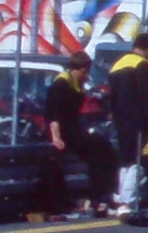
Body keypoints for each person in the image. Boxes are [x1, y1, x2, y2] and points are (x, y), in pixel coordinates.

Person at [39, 51, 116, 217]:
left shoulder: (76, 83)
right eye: (85, 72)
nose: (86, 76)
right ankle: (82, 200)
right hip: (60, 132)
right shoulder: (61, 84)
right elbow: (52, 114)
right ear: (77, 70)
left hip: (73, 130)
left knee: (104, 149)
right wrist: (57, 138)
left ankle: (97, 197)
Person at [108, 33, 148, 214]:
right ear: (147, 49)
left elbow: (111, 97)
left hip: (120, 119)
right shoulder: (141, 65)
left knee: (125, 160)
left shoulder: (117, 65)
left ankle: (121, 198)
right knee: (137, 160)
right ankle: (128, 201)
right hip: (137, 119)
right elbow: (147, 97)